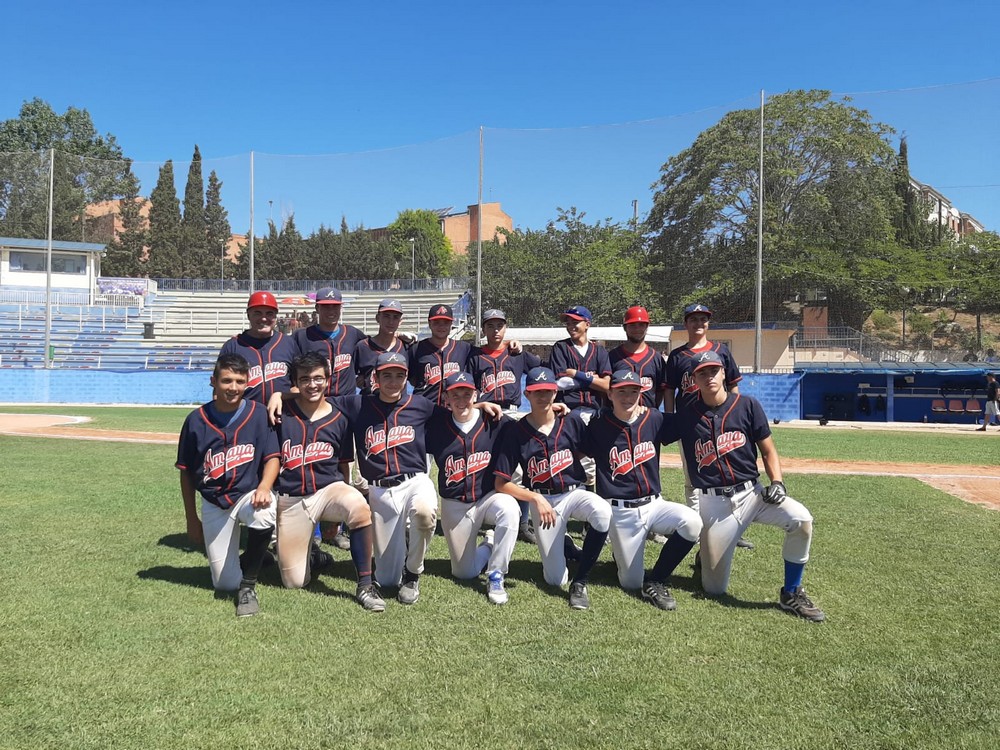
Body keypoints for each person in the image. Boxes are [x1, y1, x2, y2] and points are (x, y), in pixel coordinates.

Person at [662, 351, 825, 622]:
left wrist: (777, 482)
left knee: (801, 519)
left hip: (753, 494)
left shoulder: (747, 405)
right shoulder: (687, 415)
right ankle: (706, 556)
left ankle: (791, 592)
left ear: (724, 373)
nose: (709, 377)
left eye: (714, 370)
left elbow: (768, 451)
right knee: (714, 588)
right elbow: (648, 428)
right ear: (694, 380)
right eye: (702, 373)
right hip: (714, 505)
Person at [582, 369, 702, 610]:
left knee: (692, 522)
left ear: (641, 393)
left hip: (654, 504)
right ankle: (620, 553)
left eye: (633, 391)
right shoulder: (598, 424)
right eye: (621, 391)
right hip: (620, 511)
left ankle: (656, 579)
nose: (628, 397)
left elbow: (689, 420)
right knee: (630, 582)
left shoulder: (654, 418)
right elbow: (574, 448)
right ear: (610, 393)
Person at [493, 366, 612, 610]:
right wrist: (535, 498)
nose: (543, 396)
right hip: (542, 500)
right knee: (555, 579)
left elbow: (586, 450)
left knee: (602, 512)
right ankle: (566, 545)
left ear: (555, 392)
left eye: (547, 391)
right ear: (527, 393)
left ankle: (580, 581)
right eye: (537, 391)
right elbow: (501, 483)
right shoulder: (516, 431)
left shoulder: (571, 421)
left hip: (573, 493)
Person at [273, 352, 385, 611]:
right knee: (294, 582)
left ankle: (365, 585)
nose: (312, 384)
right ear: (295, 383)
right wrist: (278, 395)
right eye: (304, 379)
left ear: (327, 379)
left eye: (317, 378)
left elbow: (343, 464)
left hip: (328, 489)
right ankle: (314, 556)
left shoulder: (339, 417)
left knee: (358, 506)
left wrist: (338, 515)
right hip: (291, 497)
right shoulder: (281, 414)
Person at [176, 354, 279, 617]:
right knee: (224, 583)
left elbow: (272, 457)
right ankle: (258, 557)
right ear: (213, 381)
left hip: (247, 494)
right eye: (227, 380)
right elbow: (186, 473)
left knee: (264, 511)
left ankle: (248, 585)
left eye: (240, 381)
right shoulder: (195, 420)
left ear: (247, 382)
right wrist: (191, 519)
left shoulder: (258, 413)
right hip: (214, 501)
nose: (233, 387)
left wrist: (264, 486)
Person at [664, 302, 752, 550]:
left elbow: (733, 385)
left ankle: (732, 527)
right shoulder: (677, 356)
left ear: (708, 323)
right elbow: (669, 390)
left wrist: (736, 414)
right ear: (686, 324)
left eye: (703, 319)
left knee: (727, 474)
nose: (699, 323)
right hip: (690, 424)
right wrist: (670, 418)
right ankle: (697, 529)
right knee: (693, 477)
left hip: (721, 422)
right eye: (693, 319)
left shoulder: (721, 351)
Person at [426, 372, 520, 605]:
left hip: (487, 499)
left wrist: (552, 410)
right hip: (455, 505)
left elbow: (528, 428)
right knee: (464, 573)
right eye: (455, 395)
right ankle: (488, 545)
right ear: (446, 398)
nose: (461, 400)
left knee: (509, 509)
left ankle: (496, 574)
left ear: (475, 395)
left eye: (467, 395)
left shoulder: (495, 421)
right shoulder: (436, 426)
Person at [468, 307, 541, 544]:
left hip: (512, 413)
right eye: (490, 326)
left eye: (499, 325)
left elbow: (542, 370)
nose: (495, 330)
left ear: (506, 328)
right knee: (484, 466)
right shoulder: (475, 356)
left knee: (519, 468)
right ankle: (483, 515)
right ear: (483, 329)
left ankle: (522, 523)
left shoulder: (517, 354)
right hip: (485, 414)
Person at [549, 305, 612, 489]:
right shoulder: (561, 348)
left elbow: (607, 385)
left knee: (592, 464)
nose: (571, 326)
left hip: (594, 413)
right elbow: (559, 383)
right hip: (568, 412)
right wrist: (592, 379)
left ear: (587, 324)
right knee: (568, 459)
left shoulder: (599, 351)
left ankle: (589, 502)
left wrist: (577, 374)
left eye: (575, 322)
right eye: (568, 322)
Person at [219, 291, 297, 405]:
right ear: (248, 315)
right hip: (245, 414)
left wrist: (282, 396)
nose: (264, 318)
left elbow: (299, 385)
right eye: (257, 313)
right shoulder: (233, 346)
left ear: (275, 317)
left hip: (284, 413)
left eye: (269, 313)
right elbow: (219, 389)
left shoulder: (288, 344)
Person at [291, 287, 367, 398]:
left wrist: (364, 375)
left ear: (340, 308)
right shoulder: (302, 336)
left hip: (347, 400)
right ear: (317, 308)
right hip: (314, 400)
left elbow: (372, 351)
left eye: (335, 306)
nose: (331, 311)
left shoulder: (352, 333)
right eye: (326, 306)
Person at [408, 303, 472, 406]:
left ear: (451, 324)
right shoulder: (416, 349)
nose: (441, 326)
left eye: (446, 322)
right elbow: (410, 379)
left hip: (453, 410)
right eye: (436, 322)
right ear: (429, 323)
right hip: (424, 409)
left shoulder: (464, 348)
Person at [608, 305, 668, 409]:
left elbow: (661, 391)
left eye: (641, 325)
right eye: (632, 325)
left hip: (648, 415)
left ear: (647, 327)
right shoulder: (612, 357)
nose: (637, 329)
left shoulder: (656, 358)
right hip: (618, 415)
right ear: (625, 327)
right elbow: (606, 390)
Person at [354, 298, 411, 396]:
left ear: (400, 321)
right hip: (369, 402)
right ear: (377, 318)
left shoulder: (407, 347)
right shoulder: (362, 346)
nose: (391, 322)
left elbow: (414, 378)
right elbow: (351, 376)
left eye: (395, 317)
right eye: (386, 316)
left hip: (399, 403)